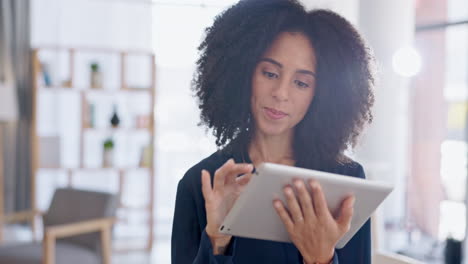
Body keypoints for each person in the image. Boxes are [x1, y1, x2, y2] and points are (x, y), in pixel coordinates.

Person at [171, 0, 375, 263]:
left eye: (301, 83)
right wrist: (217, 241)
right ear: (243, 73)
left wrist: (321, 258)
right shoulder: (202, 184)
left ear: (321, 94)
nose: (280, 93)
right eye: (269, 73)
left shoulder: (345, 181)